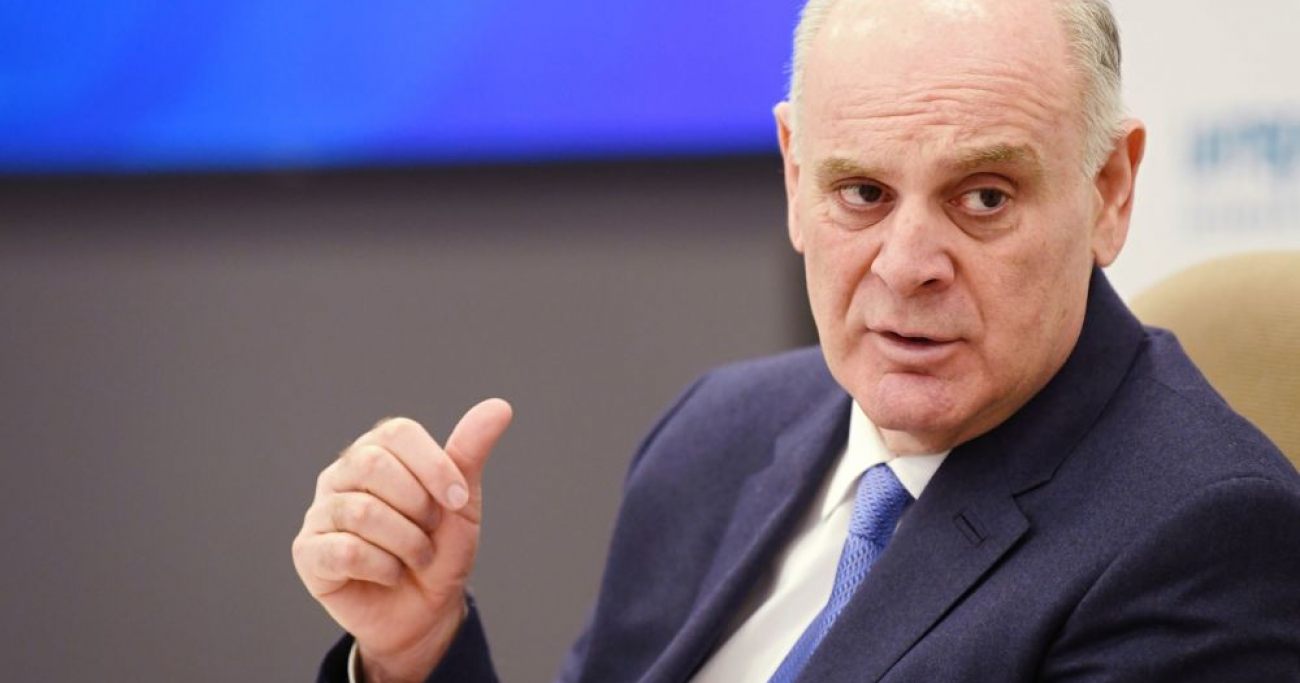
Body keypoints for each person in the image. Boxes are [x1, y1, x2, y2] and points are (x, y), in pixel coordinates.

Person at [292, 0, 1300, 680]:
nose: (908, 263)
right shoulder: (717, 433)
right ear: (792, 176)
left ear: (1109, 190)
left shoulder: (1207, 536)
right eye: (861, 192)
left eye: (984, 197)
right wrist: (415, 653)